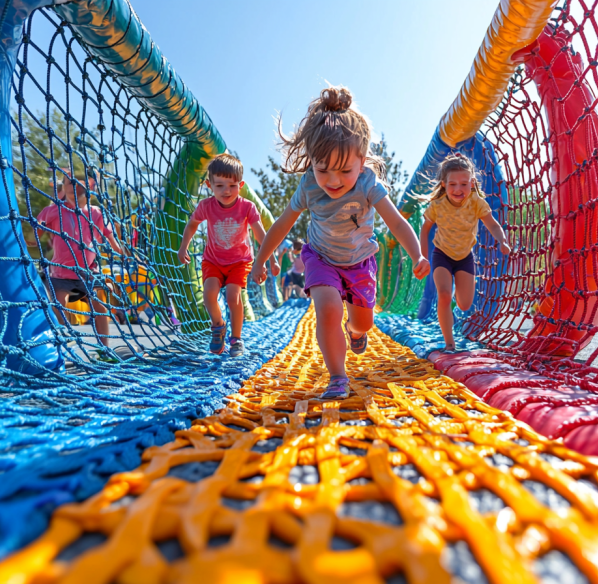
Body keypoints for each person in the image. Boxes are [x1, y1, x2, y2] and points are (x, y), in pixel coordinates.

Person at [250, 86, 430, 399]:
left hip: (360, 261)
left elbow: (397, 222)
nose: (333, 181)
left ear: (362, 161)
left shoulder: (367, 183)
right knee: (329, 309)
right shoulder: (309, 185)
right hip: (320, 257)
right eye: (323, 169)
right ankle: (337, 376)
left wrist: (417, 255)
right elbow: (282, 224)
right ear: (312, 162)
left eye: (345, 170)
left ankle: (355, 331)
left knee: (363, 323)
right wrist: (260, 259)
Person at [177, 153, 279, 357]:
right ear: (209, 185)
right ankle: (218, 326)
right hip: (213, 260)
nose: (226, 191)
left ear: (240, 186)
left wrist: (272, 258)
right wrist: (183, 247)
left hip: (239, 262)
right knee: (208, 295)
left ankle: (237, 338)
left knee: (233, 296)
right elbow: (192, 225)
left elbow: (261, 233)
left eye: (232, 186)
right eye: (220, 185)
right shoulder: (207, 206)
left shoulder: (246, 207)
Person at [419, 153, 511, 352]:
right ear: (444, 184)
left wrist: (502, 240)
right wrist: (423, 257)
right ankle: (449, 343)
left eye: (463, 184)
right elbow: (425, 229)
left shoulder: (476, 202)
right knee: (443, 294)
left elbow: (493, 225)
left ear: (472, 183)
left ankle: (458, 293)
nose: (458, 189)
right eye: (452, 184)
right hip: (441, 254)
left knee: (464, 304)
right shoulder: (437, 206)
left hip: (465, 257)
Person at [38, 168, 122, 347]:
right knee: (58, 307)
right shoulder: (54, 211)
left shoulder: (96, 213)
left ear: (90, 186)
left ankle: (104, 348)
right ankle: (60, 346)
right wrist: (33, 233)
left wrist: (122, 251)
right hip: (61, 274)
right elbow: (36, 232)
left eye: (79, 183)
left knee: (100, 307)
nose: (74, 186)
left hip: (87, 272)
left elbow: (110, 237)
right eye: (69, 183)